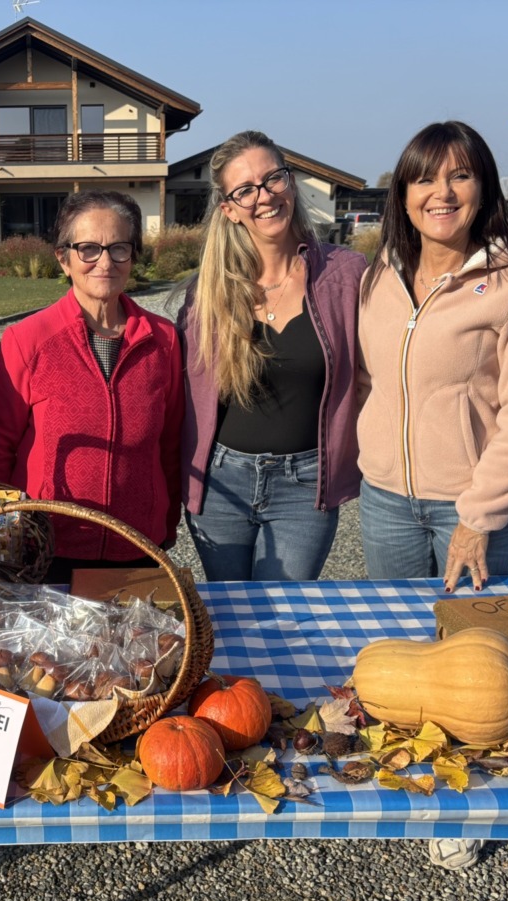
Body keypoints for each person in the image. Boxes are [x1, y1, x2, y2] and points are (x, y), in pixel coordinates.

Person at [355, 120, 508, 870]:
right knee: (412, 656)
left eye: (460, 176)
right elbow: (373, 380)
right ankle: (420, 777)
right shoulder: (381, 274)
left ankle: (468, 803)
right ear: (402, 192)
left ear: (485, 187)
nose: (441, 193)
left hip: (469, 507)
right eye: (424, 178)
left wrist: (479, 517)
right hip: (385, 499)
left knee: (478, 661)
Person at [179, 131, 365, 582]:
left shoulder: (347, 275)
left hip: (305, 485)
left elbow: (378, 375)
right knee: (230, 615)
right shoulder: (209, 291)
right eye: (245, 190)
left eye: (272, 179)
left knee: (285, 616)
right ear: (229, 209)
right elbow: (181, 393)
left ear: (291, 181)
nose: (263, 197)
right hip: (224, 483)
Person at [0, 191, 183, 583]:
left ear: (133, 255)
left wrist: (167, 525)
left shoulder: (164, 341)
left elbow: (170, 444)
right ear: (64, 258)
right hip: (47, 546)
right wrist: (1, 534)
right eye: (88, 249)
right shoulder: (28, 339)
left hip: (137, 545)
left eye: (119, 248)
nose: (104, 262)